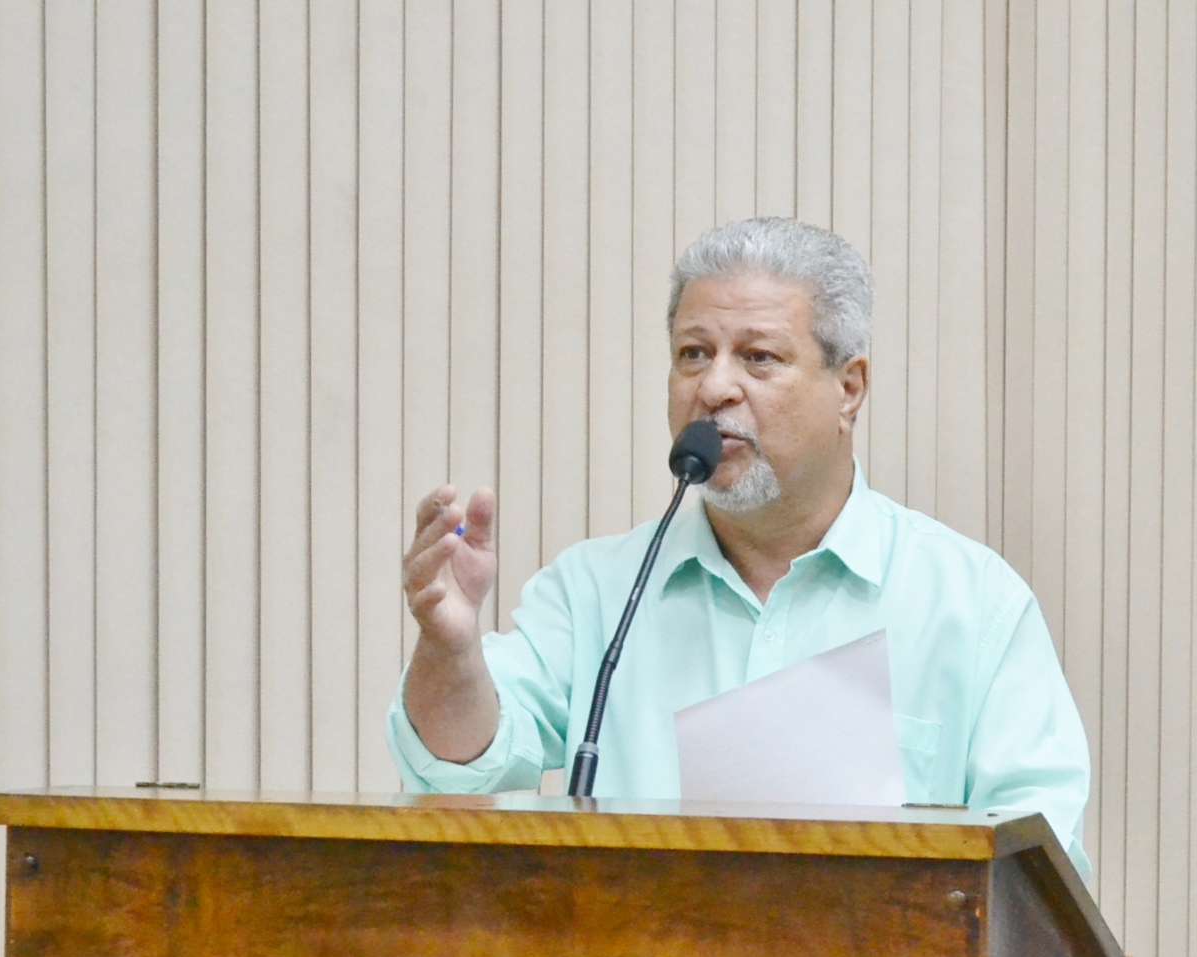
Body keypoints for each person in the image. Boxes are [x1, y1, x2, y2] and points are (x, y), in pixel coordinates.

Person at [390, 217, 1093, 875]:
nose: (715, 387)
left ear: (850, 388)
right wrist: (449, 650)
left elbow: (1038, 877)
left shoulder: (972, 604)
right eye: (693, 354)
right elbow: (461, 773)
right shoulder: (595, 593)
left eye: (758, 358)